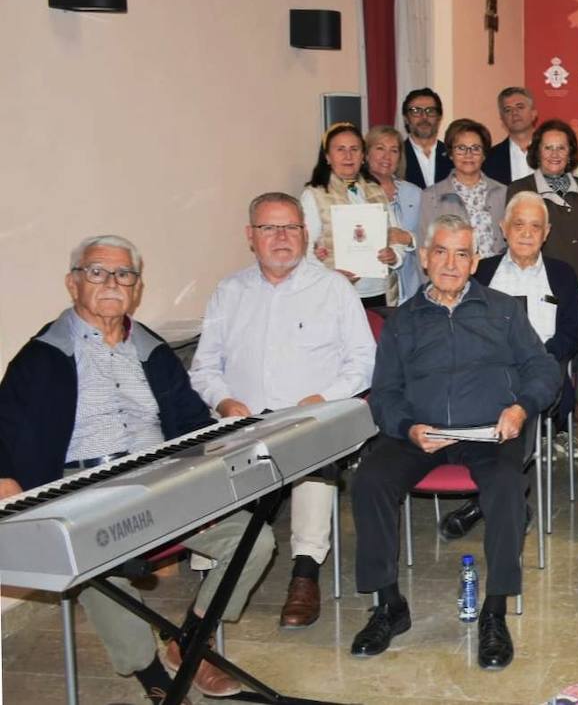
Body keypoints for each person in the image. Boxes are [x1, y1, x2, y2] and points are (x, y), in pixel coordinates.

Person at [0, 235, 274, 701]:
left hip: (159, 478)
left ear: (137, 287)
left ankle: (188, 642)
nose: (112, 283)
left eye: (124, 274)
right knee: (92, 558)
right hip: (82, 486)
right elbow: (4, 424)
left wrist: (221, 441)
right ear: (73, 283)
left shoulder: (151, 350)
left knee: (253, 540)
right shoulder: (43, 355)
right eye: (97, 272)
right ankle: (149, 672)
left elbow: (190, 420)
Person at [348, 215, 560, 667]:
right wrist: (406, 427)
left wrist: (520, 408)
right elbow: (383, 392)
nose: (450, 262)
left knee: (506, 486)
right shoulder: (404, 321)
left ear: (474, 261)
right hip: (420, 433)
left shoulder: (504, 310)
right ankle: (389, 605)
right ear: (425, 259)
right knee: (368, 481)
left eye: (461, 253)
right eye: (441, 251)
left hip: (489, 431)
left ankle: (495, 610)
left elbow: (544, 369)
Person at [190, 192, 375, 631]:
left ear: (305, 235)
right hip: (243, 422)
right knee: (202, 466)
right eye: (269, 228)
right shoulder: (228, 291)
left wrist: (325, 398)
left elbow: (364, 360)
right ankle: (212, 574)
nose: (281, 237)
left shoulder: (332, 288)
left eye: (291, 227)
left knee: (314, 456)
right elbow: (203, 366)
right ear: (250, 236)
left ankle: (305, 573)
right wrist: (224, 401)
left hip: (307, 419)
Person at [438, 192, 578, 540]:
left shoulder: (562, 275)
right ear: (504, 228)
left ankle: (480, 504)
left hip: (542, 371)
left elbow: (570, 334)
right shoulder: (481, 270)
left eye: (536, 226)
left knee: (523, 398)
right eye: (519, 224)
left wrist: (534, 358)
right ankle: (507, 497)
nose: (527, 233)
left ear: (546, 232)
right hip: (485, 372)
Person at [300, 122, 407, 308]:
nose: (348, 156)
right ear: (327, 156)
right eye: (340, 149)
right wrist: (329, 273)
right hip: (336, 294)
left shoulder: (376, 190)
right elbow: (303, 248)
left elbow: (395, 235)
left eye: (354, 149)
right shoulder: (314, 195)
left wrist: (394, 256)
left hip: (381, 292)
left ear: (363, 156)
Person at [509, 119, 578, 286]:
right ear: (538, 152)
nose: (555, 154)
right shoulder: (520, 189)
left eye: (561, 148)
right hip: (536, 285)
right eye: (548, 148)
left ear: (570, 153)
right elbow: (517, 243)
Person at [419, 118, 507, 260]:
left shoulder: (503, 193)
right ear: (450, 153)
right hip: (450, 276)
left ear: (484, 154)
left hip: (495, 277)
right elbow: (424, 249)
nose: (468, 154)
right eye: (461, 148)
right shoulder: (431, 196)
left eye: (475, 148)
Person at [364, 125, 424, 303]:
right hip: (373, 289)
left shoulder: (415, 193)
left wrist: (409, 238)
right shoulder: (355, 192)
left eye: (394, 150)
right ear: (367, 154)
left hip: (413, 287)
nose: (386, 157)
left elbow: (432, 238)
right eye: (380, 148)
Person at [484, 86, 538, 185]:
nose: (514, 113)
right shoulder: (489, 159)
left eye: (520, 107)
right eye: (508, 110)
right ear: (502, 118)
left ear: (533, 113)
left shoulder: (552, 152)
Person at [399, 87, 450, 189]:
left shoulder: (453, 155)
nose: (424, 117)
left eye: (430, 111)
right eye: (416, 111)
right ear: (406, 119)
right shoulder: (397, 155)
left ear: (439, 118)